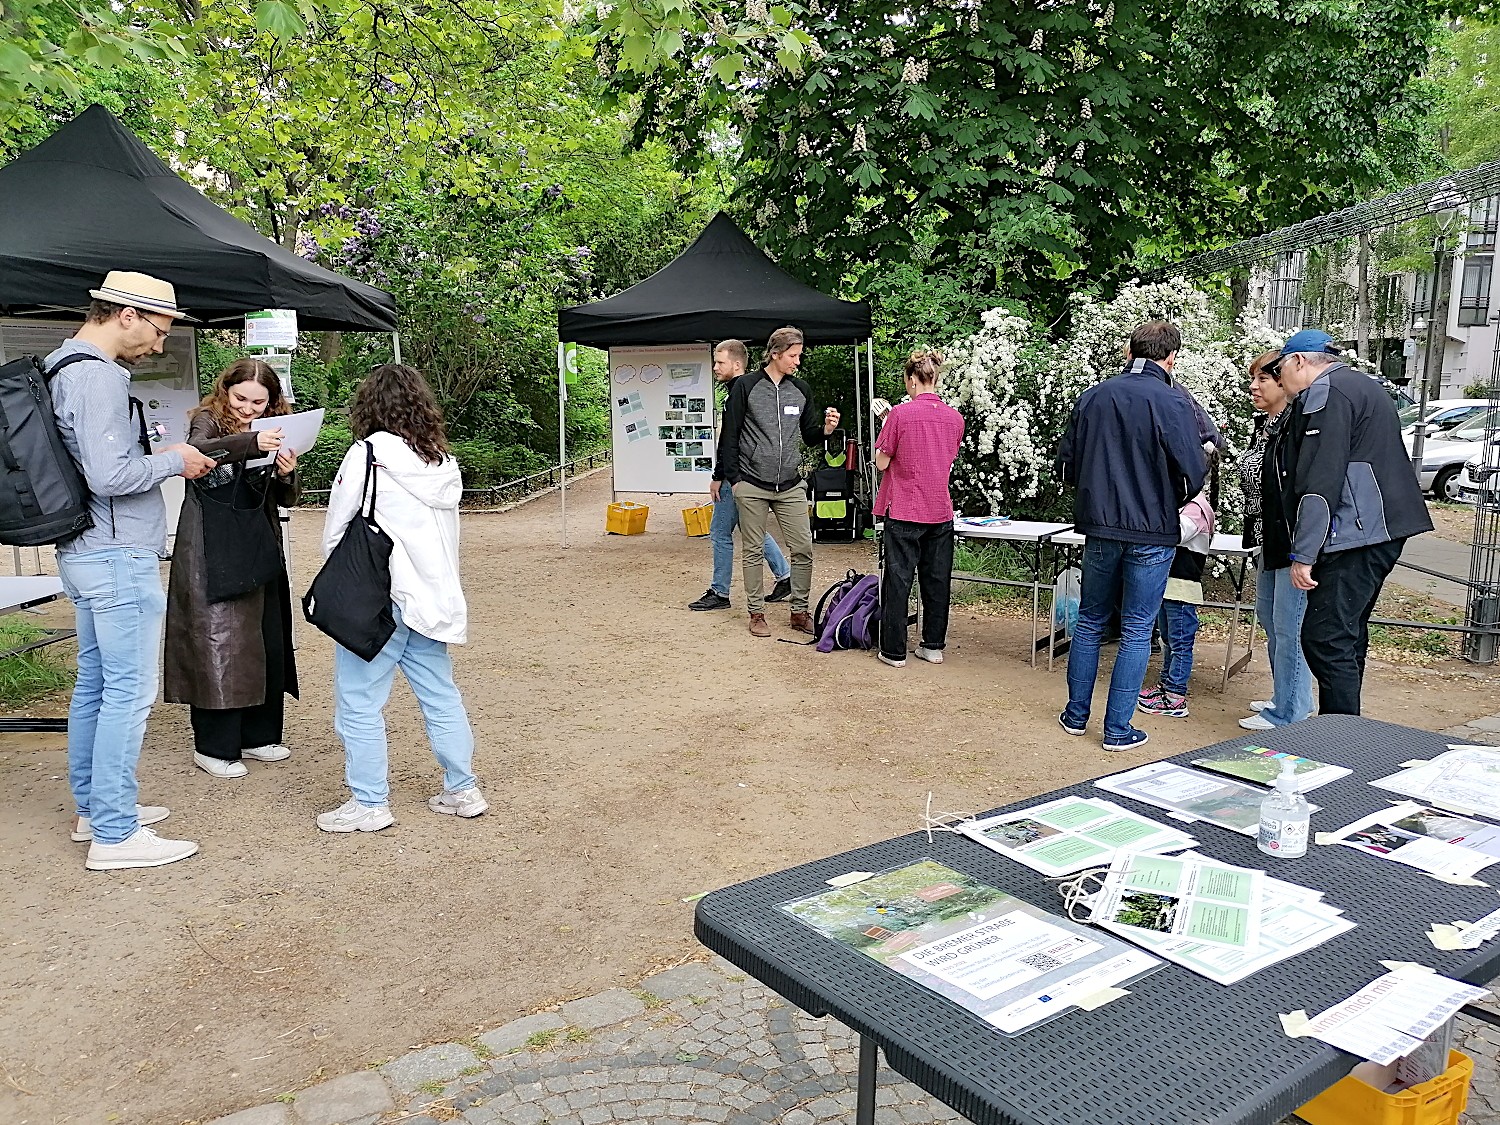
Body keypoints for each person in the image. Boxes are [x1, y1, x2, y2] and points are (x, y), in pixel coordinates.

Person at [50, 271, 217, 869]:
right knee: (127, 690)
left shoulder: (60, 367)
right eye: (159, 329)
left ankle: (95, 809)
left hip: (86, 549)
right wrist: (172, 459)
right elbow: (111, 476)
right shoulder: (96, 377)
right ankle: (115, 835)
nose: (160, 344)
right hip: (117, 553)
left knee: (96, 684)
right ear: (125, 314)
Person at [317, 363, 486, 832]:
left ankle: (370, 803)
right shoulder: (441, 461)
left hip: (379, 595)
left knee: (358, 701)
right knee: (440, 695)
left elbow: (337, 527)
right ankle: (463, 788)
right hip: (430, 595)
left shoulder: (367, 454)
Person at [1056, 321, 1207, 751]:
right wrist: (1171, 492)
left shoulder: (1093, 396)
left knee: (1089, 621)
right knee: (1138, 629)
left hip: (1101, 527)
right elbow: (1194, 470)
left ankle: (1075, 715)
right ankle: (1118, 730)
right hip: (1152, 530)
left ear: (1129, 350)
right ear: (1171, 357)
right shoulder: (1173, 400)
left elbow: (1066, 466)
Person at [1267, 329, 1433, 715]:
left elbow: (1320, 481)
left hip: (1358, 530)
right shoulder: (1363, 384)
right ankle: (1347, 731)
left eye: (1279, 369)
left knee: (1325, 637)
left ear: (1299, 361)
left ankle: (1339, 736)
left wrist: (1304, 553)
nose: (1278, 379)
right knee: (1346, 633)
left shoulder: (1326, 393)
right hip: (1383, 526)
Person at [164, 359, 300, 779]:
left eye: (260, 401)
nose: (249, 408)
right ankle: (214, 745)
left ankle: (259, 735)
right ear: (225, 390)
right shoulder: (206, 419)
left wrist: (287, 474)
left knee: (264, 635)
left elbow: (286, 499)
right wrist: (251, 444)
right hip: (210, 541)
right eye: (241, 398)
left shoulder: (277, 424)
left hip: (257, 537)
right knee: (218, 639)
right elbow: (195, 456)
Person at [714, 326, 840, 637]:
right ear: (775, 354)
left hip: (790, 483)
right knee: (753, 550)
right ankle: (757, 613)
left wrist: (826, 428)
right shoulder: (745, 387)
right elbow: (729, 436)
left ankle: (799, 611)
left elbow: (809, 435)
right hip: (752, 484)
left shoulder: (801, 390)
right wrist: (735, 480)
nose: (798, 361)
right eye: (793, 355)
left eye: (799, 355)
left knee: (803, 549)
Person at [871, 350, 965, 668]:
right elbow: (945, 457)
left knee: (899, 579)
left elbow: (882, 461)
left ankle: (894, 651)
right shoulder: (955, 419)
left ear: (912, 380)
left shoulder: (899, 414)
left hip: (905, 507)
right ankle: (933, 645)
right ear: (935, 377)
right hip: (940, 507)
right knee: (937, 579)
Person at [1237, 351, 1314, 731]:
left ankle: (1291, 710)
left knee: (1289, 625)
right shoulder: (1263, 425)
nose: (1253, 386)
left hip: (1289, 539)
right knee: (1270, 618)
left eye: (1262, 380)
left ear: (1283, 383)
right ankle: (1285, 695)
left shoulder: (1295, 426)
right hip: (1264, 538)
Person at [688, 339, 792, 611]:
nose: (714, 367)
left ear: (737, 364)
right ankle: (785, 575)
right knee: (750, 527)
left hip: (737, 477)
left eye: (720, 362)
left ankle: (719, 592)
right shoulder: (756, 389)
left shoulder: (738, 392)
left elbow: (729, 439)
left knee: (720, 533)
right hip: (751, 474)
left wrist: (719, 475)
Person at [1138, 467, 1215, 717]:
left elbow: (1175, 534)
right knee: (1168, 641)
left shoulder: (1197, 508)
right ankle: (1165, 686)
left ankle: (1175, 697)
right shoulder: (1184, 504)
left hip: (1182, 590)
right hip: (1169, 588)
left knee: (1180, 644)